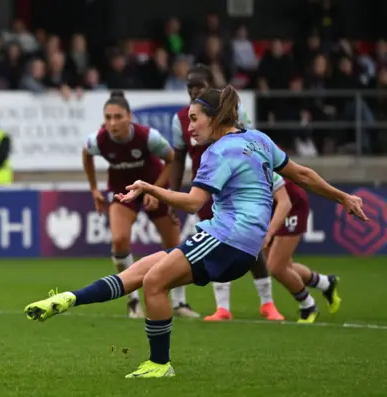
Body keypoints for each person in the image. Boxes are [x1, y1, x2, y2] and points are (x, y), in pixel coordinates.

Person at [24, 86, 367, 378]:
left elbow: (191, 202)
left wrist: (148, 187)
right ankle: (69, 299)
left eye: (193, 119)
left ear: (215, 118)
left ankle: (159, 363)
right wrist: (342, 197)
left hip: (227, 239)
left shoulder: (217, 153)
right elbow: (302, 175)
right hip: (238, 244)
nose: (188, 127)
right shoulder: (259, 139)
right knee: (144, 270)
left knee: (155, 283)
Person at [170, 64, 283, 321]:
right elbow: (178, 158)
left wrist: (269, 182)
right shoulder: (181, 119)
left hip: (237, 186)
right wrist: (172, 192)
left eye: (199, 86)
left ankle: (268, 303)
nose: (194, 91)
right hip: (206, 187)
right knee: (214, 242)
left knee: (251, 246)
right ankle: (222, 307)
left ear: (212, 86)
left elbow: (253, 146)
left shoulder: (236, 112)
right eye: (189, 87)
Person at [83, 90, 199, 319]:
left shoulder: (149, 137)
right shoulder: (98, 140)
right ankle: (133, 301)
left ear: (129, 117)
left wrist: (155, 189)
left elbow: (171, 159)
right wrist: (94, 189)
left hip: (151, 188)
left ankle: (179, 302)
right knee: (119, 241)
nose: (113, 123)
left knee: (173, 244)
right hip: (122, 191)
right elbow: (86, 155)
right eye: (108, 117)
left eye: (118, 117)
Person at [261, 173, 341, 322]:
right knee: (284, 264)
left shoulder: (256, 156)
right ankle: (325, 283)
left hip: (290, 205)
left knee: (276, 267)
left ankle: (308, 306)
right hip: (269, 205)